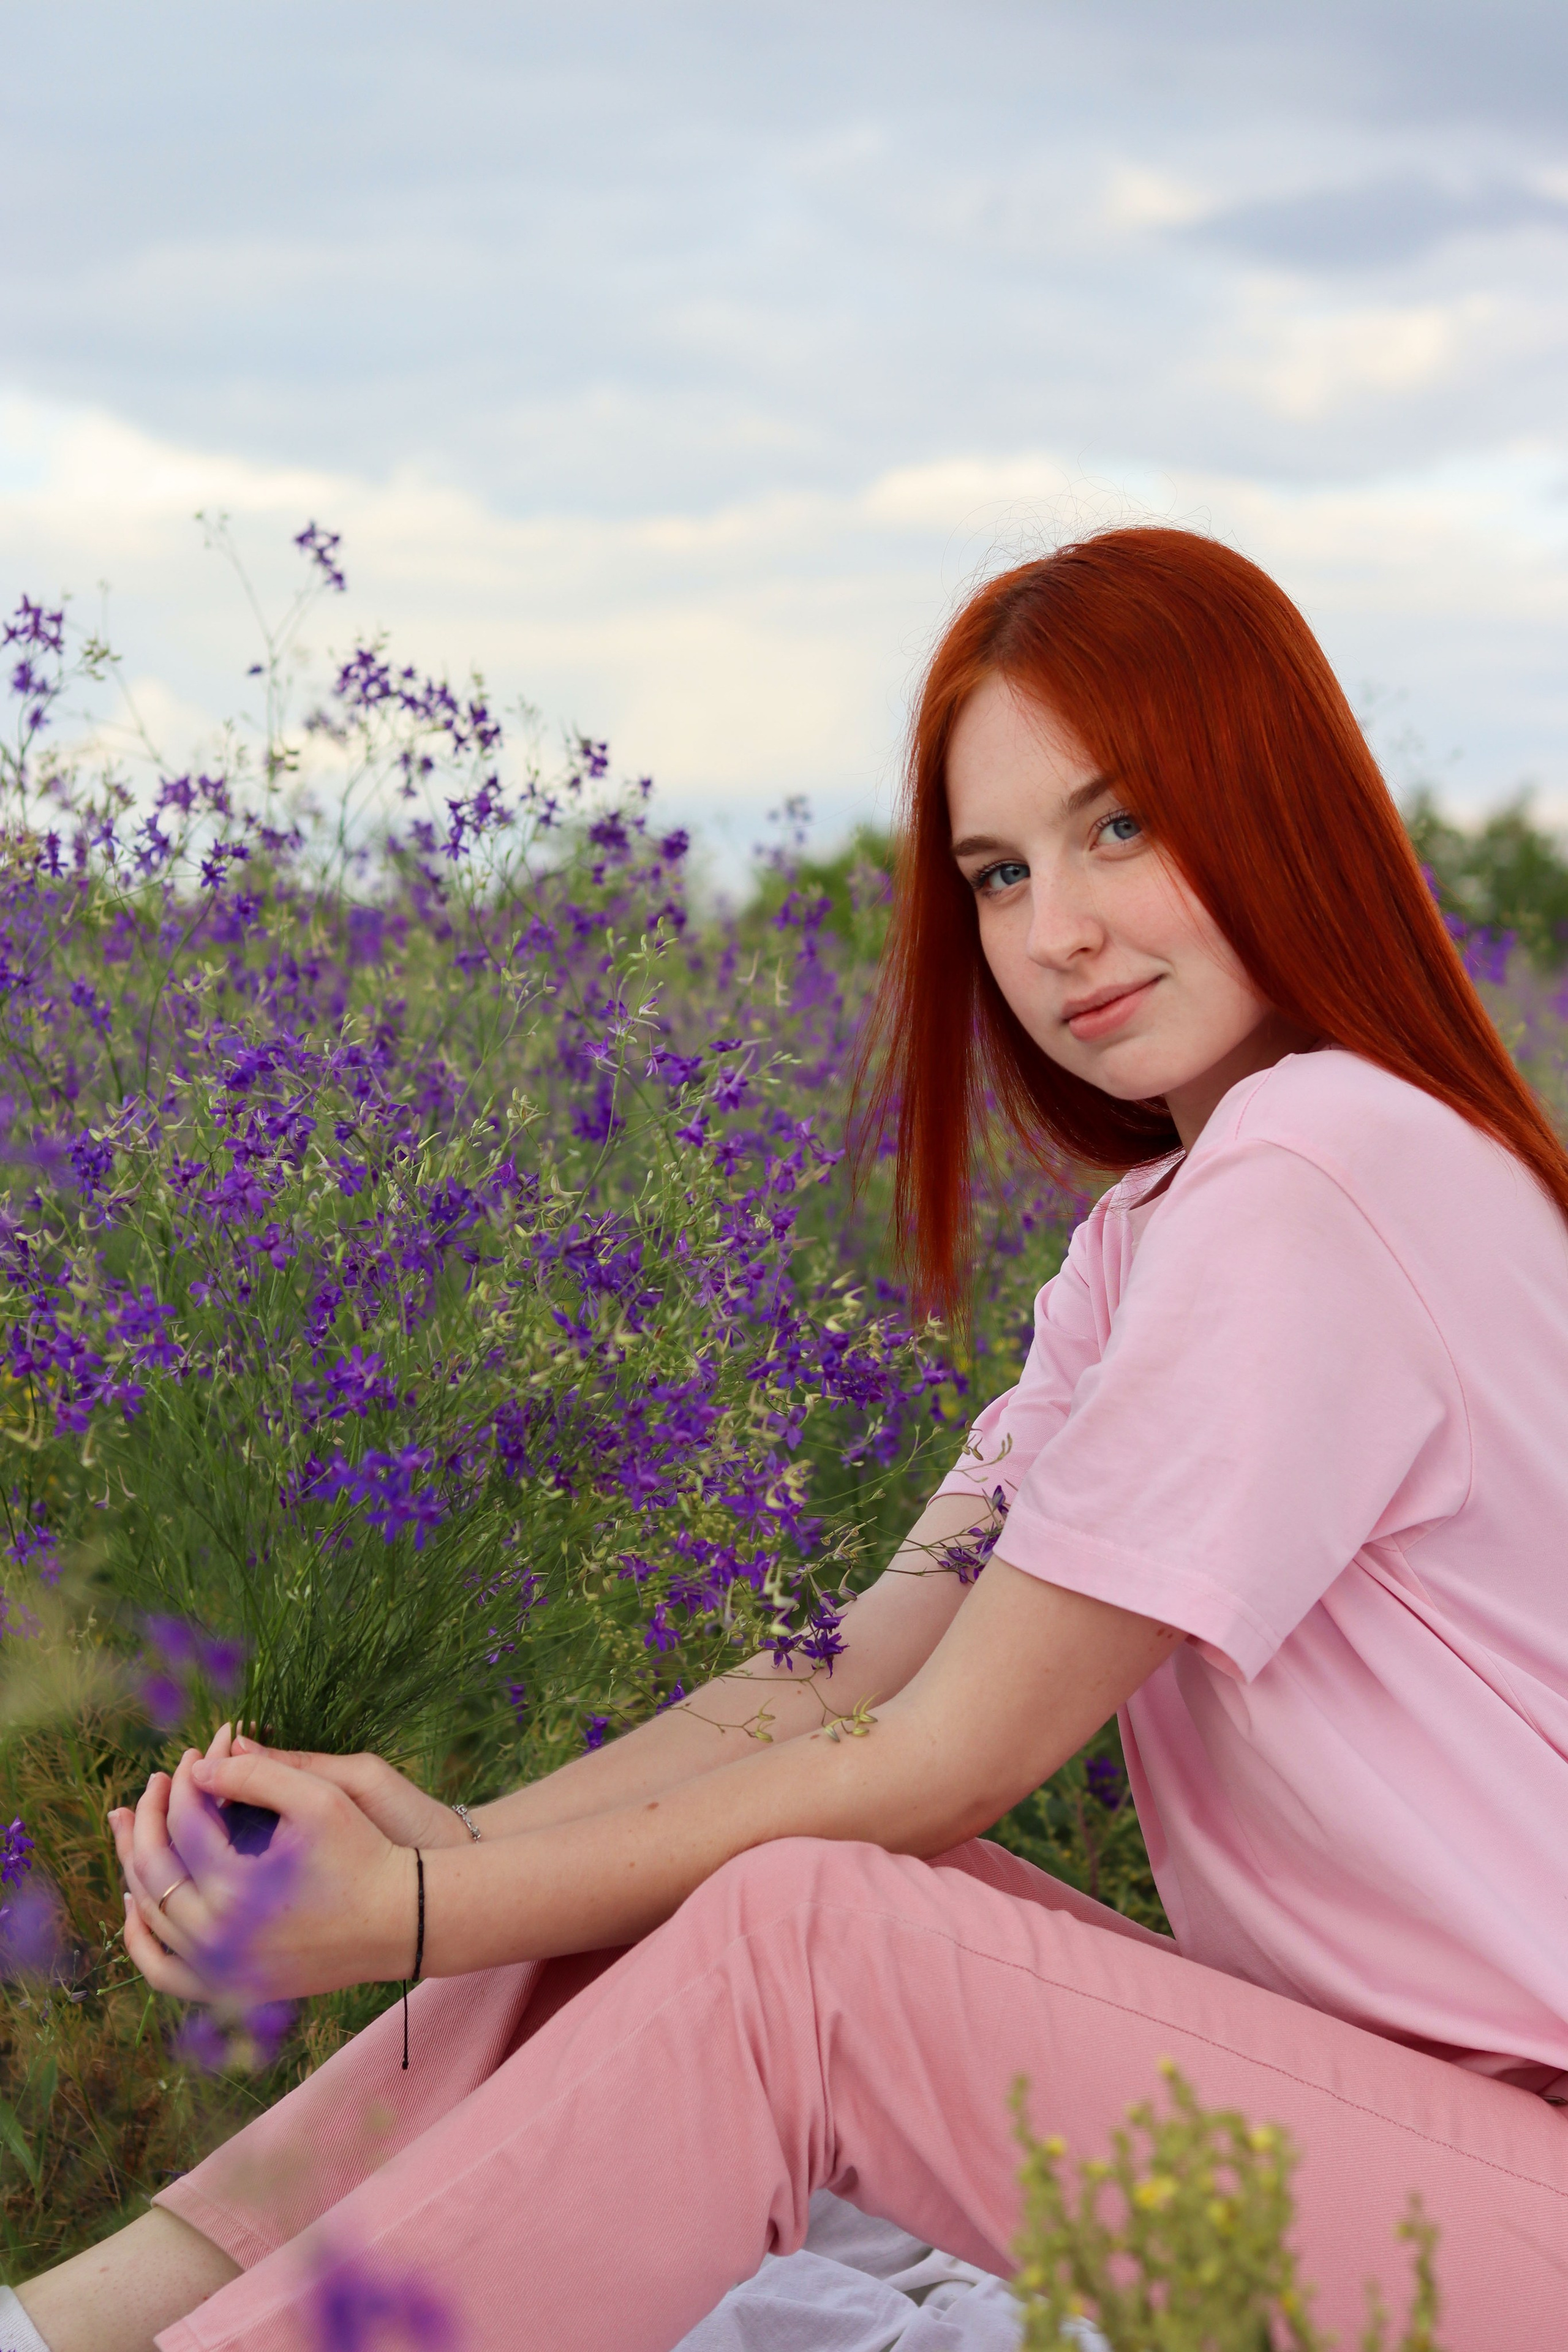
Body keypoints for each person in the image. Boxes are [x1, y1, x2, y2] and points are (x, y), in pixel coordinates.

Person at [7, 527, 1567, 2352]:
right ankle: (74, 2327)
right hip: (1395, 2136)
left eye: (1121, 826)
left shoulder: (1322, 1171)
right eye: (999, 873)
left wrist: (424, 1907)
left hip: (1514, 2194)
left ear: (1278, 799)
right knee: (692, 1869)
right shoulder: (1159, 1239)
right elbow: (856, 1666)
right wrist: (471, 1852)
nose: (1054, 934)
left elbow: (942, 1759)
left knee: (808, 1931)